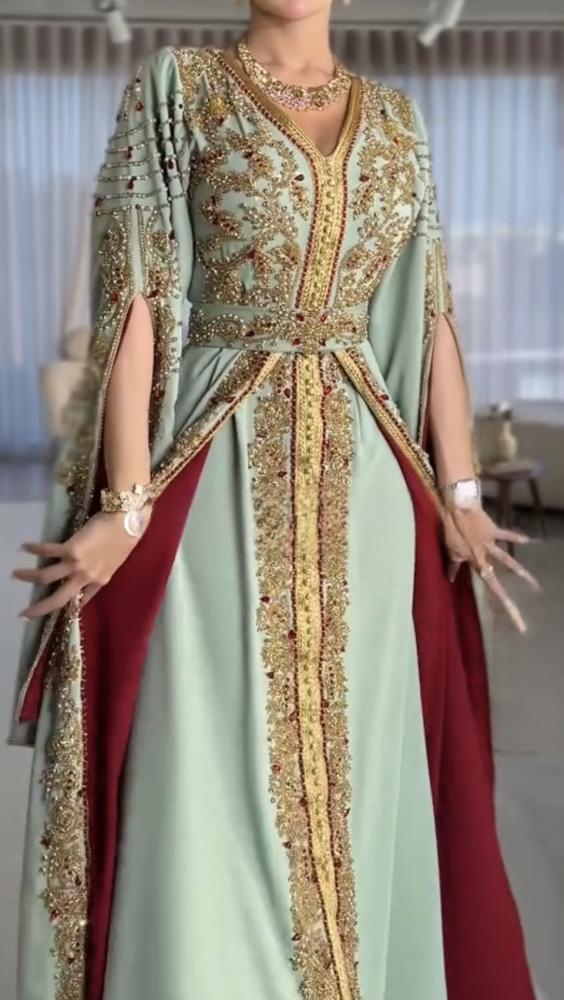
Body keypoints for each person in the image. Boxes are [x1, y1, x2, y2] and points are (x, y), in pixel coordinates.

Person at [9, 2, 540, 998]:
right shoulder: (180, 88)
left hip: (371, 481)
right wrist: (127, 506)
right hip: (217, 457)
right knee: (214, 750)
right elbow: (136, 298)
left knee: (360, 761)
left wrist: (462, 491)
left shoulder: (398, 118)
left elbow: (430, 310)